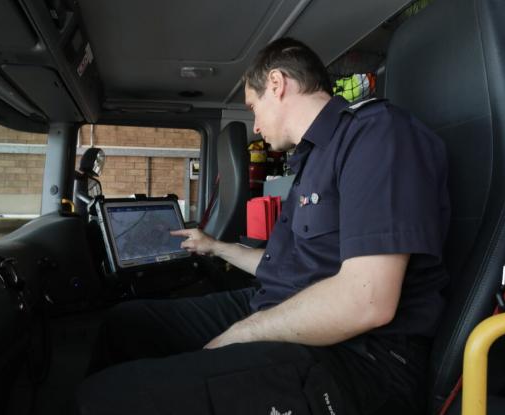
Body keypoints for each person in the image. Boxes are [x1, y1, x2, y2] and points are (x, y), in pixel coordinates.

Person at [75, 37, 450, 415]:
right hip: (282, 307)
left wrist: (244, 333)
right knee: (127, 324)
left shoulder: (376, 135)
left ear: (276, 83)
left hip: (359, 358)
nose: (254, 126)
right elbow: (284, 268)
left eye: (253, 107)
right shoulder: (312, 159)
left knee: (100, 403)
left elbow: (367, 301)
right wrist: (214, 247)